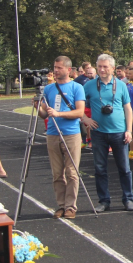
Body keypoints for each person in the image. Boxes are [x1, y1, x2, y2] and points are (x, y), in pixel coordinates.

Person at [82, 54, 133, 212]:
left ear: (113, 68)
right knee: (100, 168)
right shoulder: (89, 85)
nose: (102, 69)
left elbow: (128, 108)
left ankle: (128, 199)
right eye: (99, 66)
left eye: (105, 66)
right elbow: (77, 105)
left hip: (119, 133)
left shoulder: (121, 85)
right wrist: (86, 119)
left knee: (124, 168)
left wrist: (129, 130)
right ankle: (104, 201)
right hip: (98, 133)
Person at [35, 56, 85, 219]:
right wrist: (38, 108)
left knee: (72, 172)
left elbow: (79, 112)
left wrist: (59, 114)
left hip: (71, 134)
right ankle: (61, 205)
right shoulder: (49, 89)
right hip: (52, 134)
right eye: (55, 67)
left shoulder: (76, 87)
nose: (55, 70)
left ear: (68, 70)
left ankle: (71, 206)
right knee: (57, 173)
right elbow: (44, 114)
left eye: (59, 68)